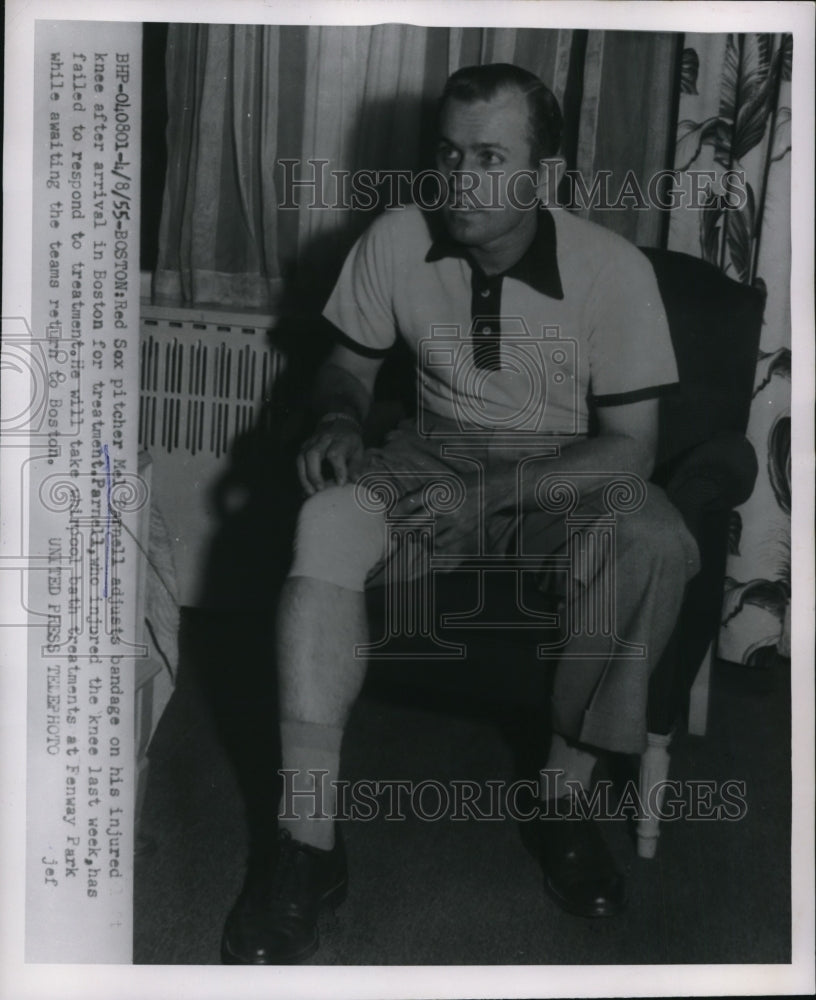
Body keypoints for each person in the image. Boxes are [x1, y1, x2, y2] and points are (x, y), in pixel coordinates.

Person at [221, 63, 700, 965]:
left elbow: (631, 450)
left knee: (652, 536)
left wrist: (491, 496)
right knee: (326, 522)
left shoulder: (614, 269)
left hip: (563, 473)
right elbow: (347, 370)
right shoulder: (398, 237)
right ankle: (306, 842)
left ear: (545, 175)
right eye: (447, 154)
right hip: (431, 456)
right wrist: (338, 418)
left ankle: (563, 800)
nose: (459, 181)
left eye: (489, 158)